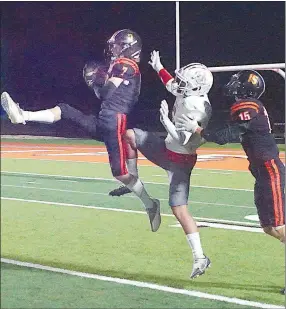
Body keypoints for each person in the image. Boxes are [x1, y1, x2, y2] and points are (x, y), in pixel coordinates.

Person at [1, 29, 161, 233]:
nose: (113, 49)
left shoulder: (125, 65)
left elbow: (106, 93)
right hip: (106, 119)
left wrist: (97, 81)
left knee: (120, 173)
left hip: (114, 120)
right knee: (65, 110)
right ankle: (24, 115)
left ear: (128, 47)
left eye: (118, 45)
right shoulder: (126, 66)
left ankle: (150, 203)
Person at [176, 69, 285, 289]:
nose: (233, 84)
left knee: (280, 226)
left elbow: (226, 136)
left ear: (246, 88)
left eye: (238, 82)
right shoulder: (249, 108)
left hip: (270, 170)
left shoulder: (249, 107)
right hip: (260, 172)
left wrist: (198, 129)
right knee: (269, 227)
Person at [109, 50, 213, 279]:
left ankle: (200, 257)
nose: (180, 84)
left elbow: (184, 141)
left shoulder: (197, 107)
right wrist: (158, 67)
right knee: (130, 135)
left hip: (181, 161)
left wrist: (166, 122)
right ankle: (132, 181)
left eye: (185, 82)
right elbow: (171, 84)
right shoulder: (188, 92)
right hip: (166, 149)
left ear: (197, 87)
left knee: (179, 209)